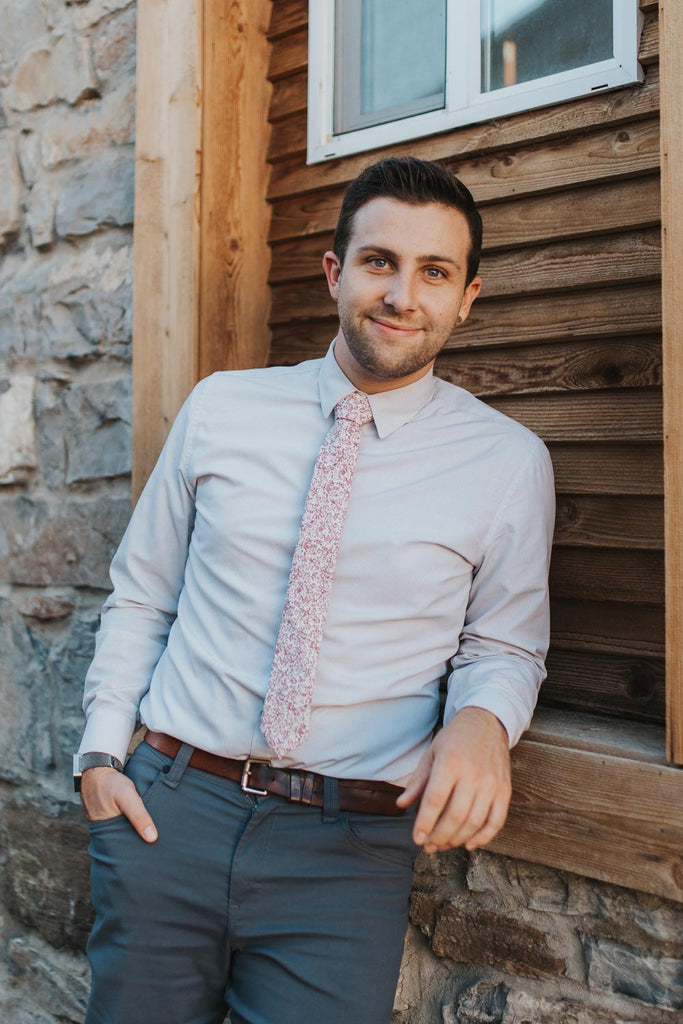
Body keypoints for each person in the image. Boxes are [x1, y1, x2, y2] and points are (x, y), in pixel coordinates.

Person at [75, 156, 555, 1024]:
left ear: (466, 297)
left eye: (433, 272)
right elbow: (144, 594)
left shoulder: (507, 461)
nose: (401, 294)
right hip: (169, 812)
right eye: (379, 262)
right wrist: (103, 757)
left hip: (350, 847)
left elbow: (504, 643)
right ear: (336, 272)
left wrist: (484, 723)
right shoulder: (222, 408)